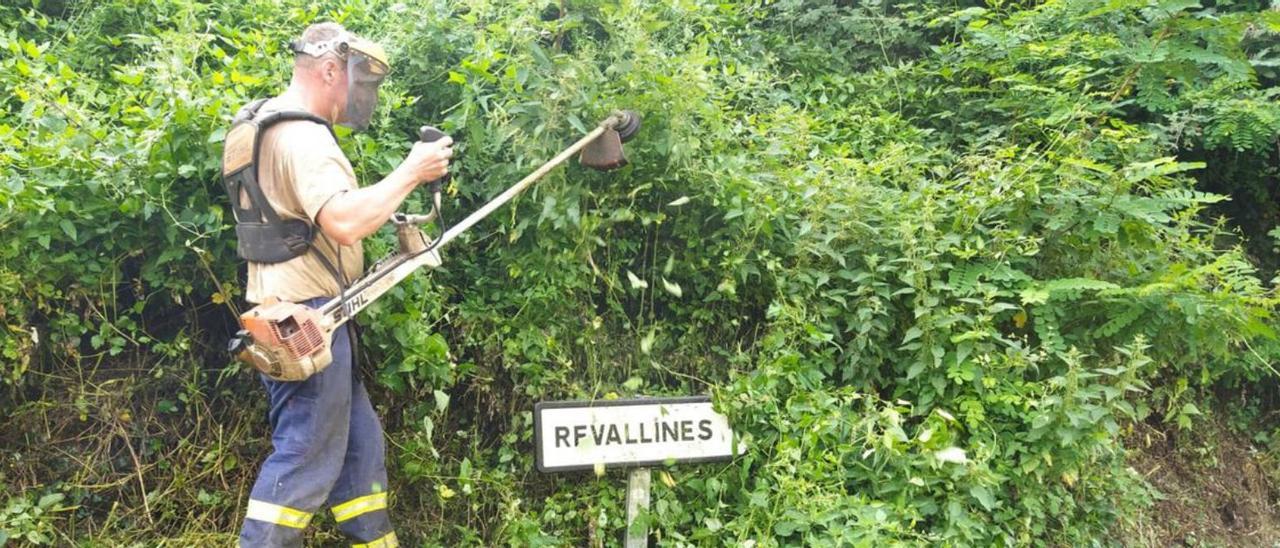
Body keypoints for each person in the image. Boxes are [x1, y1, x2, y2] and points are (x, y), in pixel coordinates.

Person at [225, 22, 452, 548]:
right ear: (330, 69)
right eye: (359, 80)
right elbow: (344, 221)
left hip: (306, 316)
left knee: (358, 456)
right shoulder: (303, 136)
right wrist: (413, 171)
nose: (362, 95)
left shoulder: (265, 123)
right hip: (306, 319)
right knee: (304, 459)